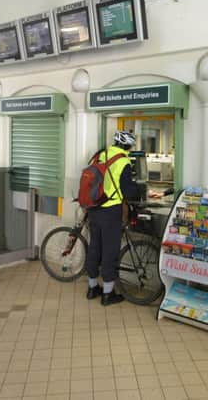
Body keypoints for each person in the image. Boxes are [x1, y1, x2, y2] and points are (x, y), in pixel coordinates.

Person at [86, 130, 140, 306]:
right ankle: (108, 294)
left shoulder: (101, 154)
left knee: (94, 248)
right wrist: (138, 191)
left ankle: (92, 288)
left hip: (94, 208)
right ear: (127, 145)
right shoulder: (123, 161)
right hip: (110, 211)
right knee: (110, 251)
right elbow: (126, 190)